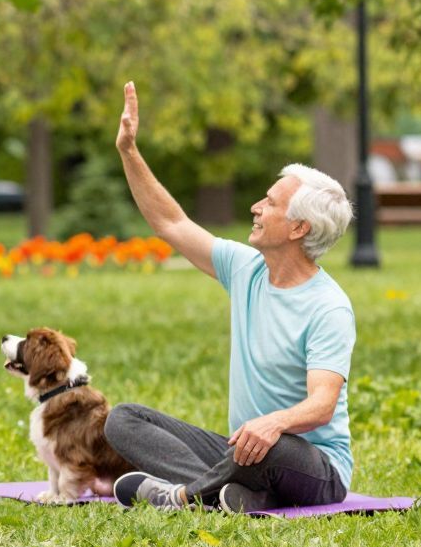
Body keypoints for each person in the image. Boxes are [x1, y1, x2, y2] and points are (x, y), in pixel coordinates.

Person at [106, 82, 356, 513]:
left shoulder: (328, 306)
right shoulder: (246, 268)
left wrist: (274, 423)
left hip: (312, 467)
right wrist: (129, 150)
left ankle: (182, 496)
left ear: (299, 229)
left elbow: (321, 405)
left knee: (273, 447)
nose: (257, 207)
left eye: (271, 203)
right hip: (240, 452)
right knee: (124, 419)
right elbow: (172, 223)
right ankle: (233, 495)